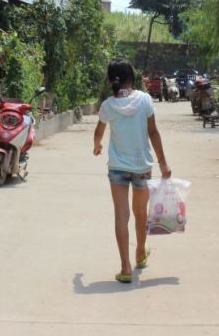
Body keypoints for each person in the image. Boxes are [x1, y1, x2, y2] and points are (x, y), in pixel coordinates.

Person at [93, 59, 172, 283]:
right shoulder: (145, 100)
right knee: (140, 213)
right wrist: (163, 163)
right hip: (142, 168)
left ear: (112, 80)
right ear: (132, 78)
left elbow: (98, 132)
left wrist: (97, 146)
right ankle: (139, 252)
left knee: (121, 215)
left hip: (117, 168)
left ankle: (125, 267)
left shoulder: (107, 106)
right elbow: (154, 133)